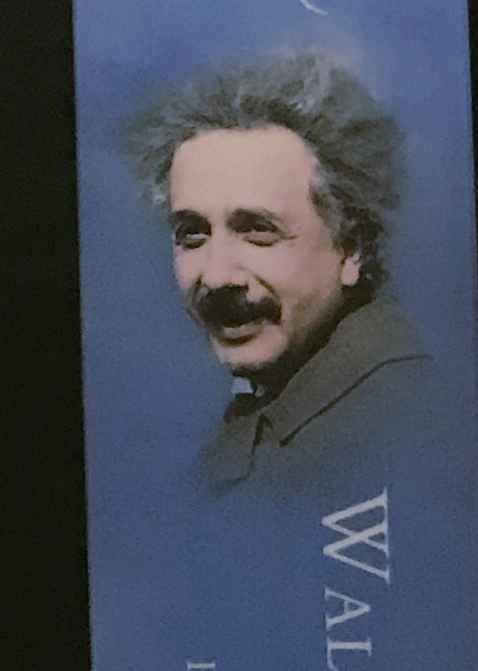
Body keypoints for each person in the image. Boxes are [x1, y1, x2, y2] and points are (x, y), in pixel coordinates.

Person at [117, 47, 444, 499]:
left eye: (257, 231)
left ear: (351, 249)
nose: (217, 276)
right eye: (192, 234)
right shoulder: (279, 422)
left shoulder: (396, 427)